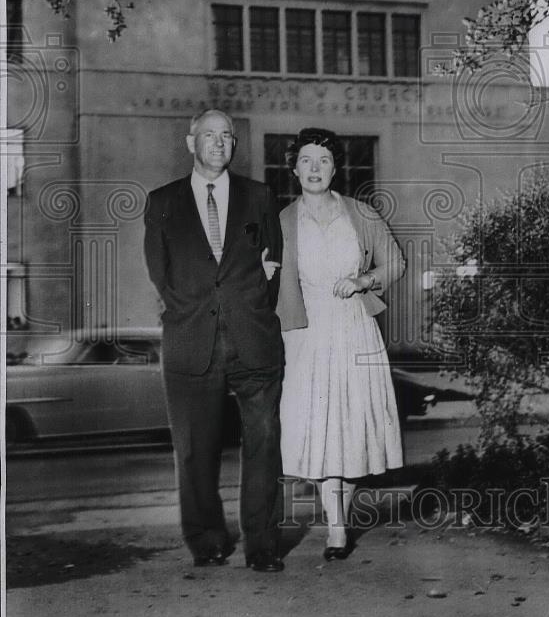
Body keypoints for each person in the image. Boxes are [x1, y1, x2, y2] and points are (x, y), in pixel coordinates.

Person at [143, 108, 285, 572]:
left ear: (234, 145)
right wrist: (191, 310)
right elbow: (160, 274)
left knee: (263, 445)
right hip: (190, 340)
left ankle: (262, 545)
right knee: (193, 448)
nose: (219, 143)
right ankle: (207, 540)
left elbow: (273, 266)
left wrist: (252, 307)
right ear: (191, 142)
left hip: (253, 339)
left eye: (226, 136)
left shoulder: (259, 196)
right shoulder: (162, 202)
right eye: (209, 135)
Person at [276, 128, 405, 560]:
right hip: (306, 333)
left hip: (354, 330)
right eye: (307, 161)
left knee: (351, 430)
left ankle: (339, 523)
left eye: (324, 161)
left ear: (335, 168)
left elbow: (396, 263)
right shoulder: (281, 222)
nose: (315, 169)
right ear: (294, 168)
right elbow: (264, 278)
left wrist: (363, 280)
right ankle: (335, 525)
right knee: (318, 431)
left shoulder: (362, 214)